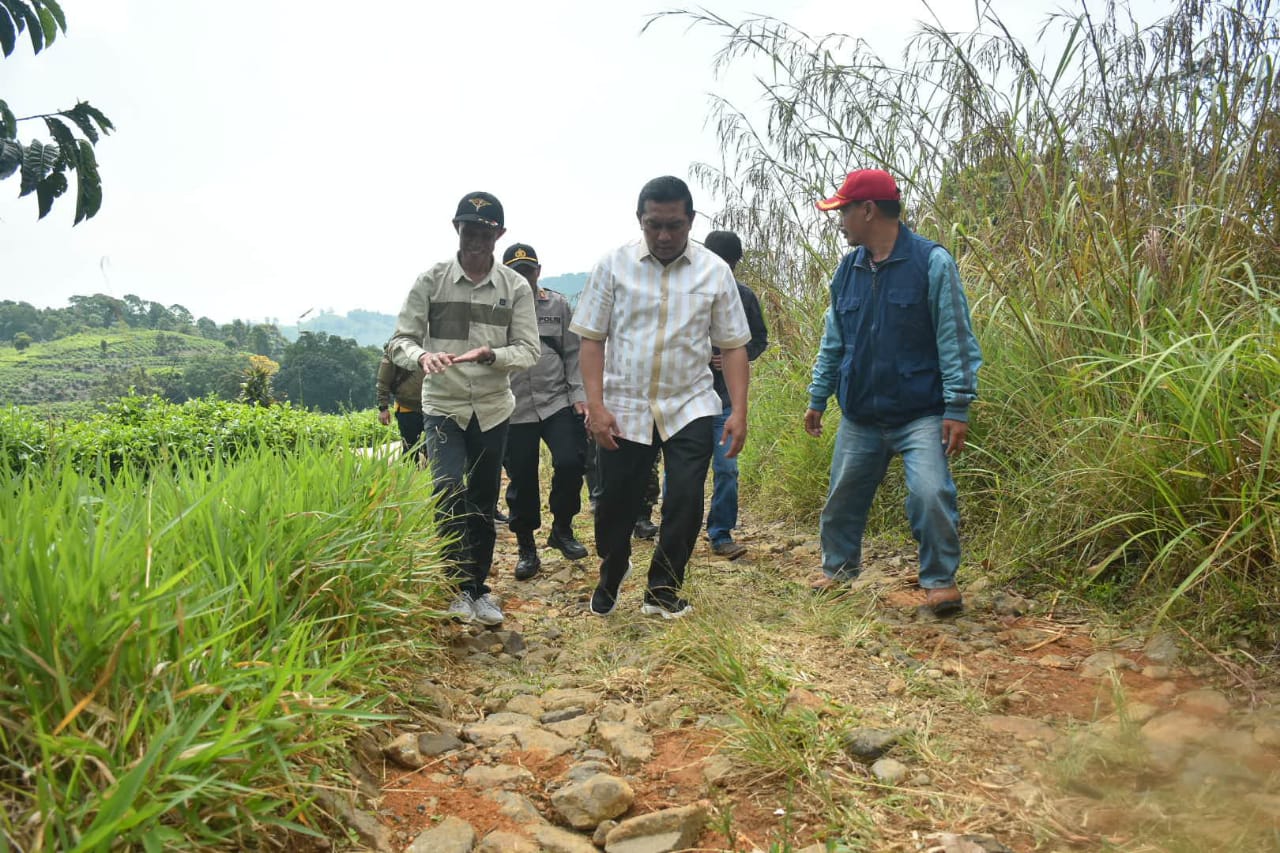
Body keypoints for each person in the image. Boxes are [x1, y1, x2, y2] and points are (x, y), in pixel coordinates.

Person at [572, 175, 752, 619]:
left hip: (689, 403)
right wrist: (595, 406)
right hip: (624, 405)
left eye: (674, 225)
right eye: (654, 225)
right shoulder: (612, 266)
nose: (665, 235)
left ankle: (663, 589)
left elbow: (733, 346)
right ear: (640, 220)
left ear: (690, 220)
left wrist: (740, 411)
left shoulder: (714, 271)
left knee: (686, 499)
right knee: (614, 504)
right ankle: (613, 568)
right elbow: (591, 340)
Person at [805, 169, 982, 617]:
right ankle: (838, 569)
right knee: (842, 496)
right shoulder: (849, 269)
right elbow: (834, 340)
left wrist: (957, 406)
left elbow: (955, 337)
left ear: (867, 210)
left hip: (919, 412)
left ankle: (940, 581)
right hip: (861, 413)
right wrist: (817, 396)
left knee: (930, 493)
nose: (839, 220)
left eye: (843, 210)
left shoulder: (932, 263)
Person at [388, 191, 540, 626]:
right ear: (456, 229)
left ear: (500, 234)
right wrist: (421, 357)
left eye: (485, 231)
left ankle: (477, 588)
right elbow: (401, 339)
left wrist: (493, 355)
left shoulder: (514, 288)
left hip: (492, 408)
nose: (476, 238)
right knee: (448, 488)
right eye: (469, 229)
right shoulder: (431, 281)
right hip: (444, 406)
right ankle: (455, 586)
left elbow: (529, 350)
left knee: (483, 498)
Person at [499, 242, 591, 581]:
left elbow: (573, 352)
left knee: (570, 462)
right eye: (515, 271)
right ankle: (526, 546)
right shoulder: (494, 308)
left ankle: (562, 529)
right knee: (521, 478)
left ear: (538, 271)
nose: (523, 277)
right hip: (513, 406)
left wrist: (579, 395)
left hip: (557, 401)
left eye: (528, 270)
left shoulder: (557, 304)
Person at [702, 231, 769, 560]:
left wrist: (735, 354)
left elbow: (759, 340)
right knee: (679, 473)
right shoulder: (689, 294)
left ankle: (721, 532)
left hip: (727, 401)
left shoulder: (744, 297)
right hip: (690, 401)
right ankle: (678, 530)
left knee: (727, 469)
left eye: (729, 263)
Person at [375, 344, 425, 462]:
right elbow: (383, 379)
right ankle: (410, 478)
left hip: (436, 407)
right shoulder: (397, 346)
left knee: (437, 448)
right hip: (407, 407)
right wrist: (383, 407)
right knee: (410, 450)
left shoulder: (436, 340)